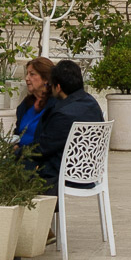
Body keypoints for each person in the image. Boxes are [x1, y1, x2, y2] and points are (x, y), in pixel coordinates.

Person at [29, 58, 104, 194]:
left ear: (58, 87)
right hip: (89, 173)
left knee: (17, 168)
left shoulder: (63, 114)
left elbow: (41, 149)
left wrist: (16, 152)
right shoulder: (92, 104)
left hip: (63, 177)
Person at [13, 56, 54, 154]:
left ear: (46, 79)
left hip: (38, 158)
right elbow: (17, 132)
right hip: (19, 156)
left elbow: (48, 142)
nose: (27, 78)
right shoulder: (26, 104)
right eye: (27, 74)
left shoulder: (54, 104)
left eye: (32, 74)